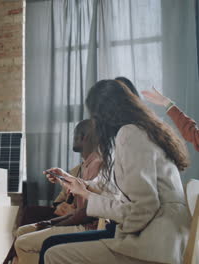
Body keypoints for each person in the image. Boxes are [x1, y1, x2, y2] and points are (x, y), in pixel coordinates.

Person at [44, 79, 191, 264]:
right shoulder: (144, 131)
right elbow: (119, 189)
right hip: (167, 240)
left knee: (54, 254)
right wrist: (75, 182)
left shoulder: (130, 134)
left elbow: (144, 208)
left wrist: (119, 228)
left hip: (155, 244)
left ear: (103, 115)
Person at [37, 76, 141, 264]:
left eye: (97, 116)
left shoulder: (133, 140)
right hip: (120, 229)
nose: (96, 123)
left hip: (132, 237)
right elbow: (106, 187)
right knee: (50, 246)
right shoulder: (122, 142)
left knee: (51, 249)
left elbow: (138, 210)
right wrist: (71, 180)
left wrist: (86, 194)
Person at [12, 119, 103, 264]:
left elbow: (87, 213)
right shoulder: (84, 166)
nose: (72, 140)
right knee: (22, 232)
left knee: (23, 243)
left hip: (86, 228)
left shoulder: (96, 165)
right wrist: (48, 222)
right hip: (78, 222)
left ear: (84, 137)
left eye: (75, 136)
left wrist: (54, 225)